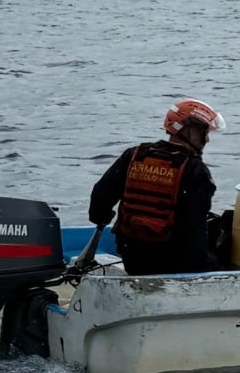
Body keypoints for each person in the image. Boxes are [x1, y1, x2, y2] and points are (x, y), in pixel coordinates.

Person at [89, 98, 225, 275]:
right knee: (222, 253)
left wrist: (102, 217)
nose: (206, 139)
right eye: (204, 133)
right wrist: (201, 271)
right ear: (189, 131)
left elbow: (100, 198)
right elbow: (195, 233)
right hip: (170, 260)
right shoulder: (195, 171)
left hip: (130, 254)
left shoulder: (134, 155)